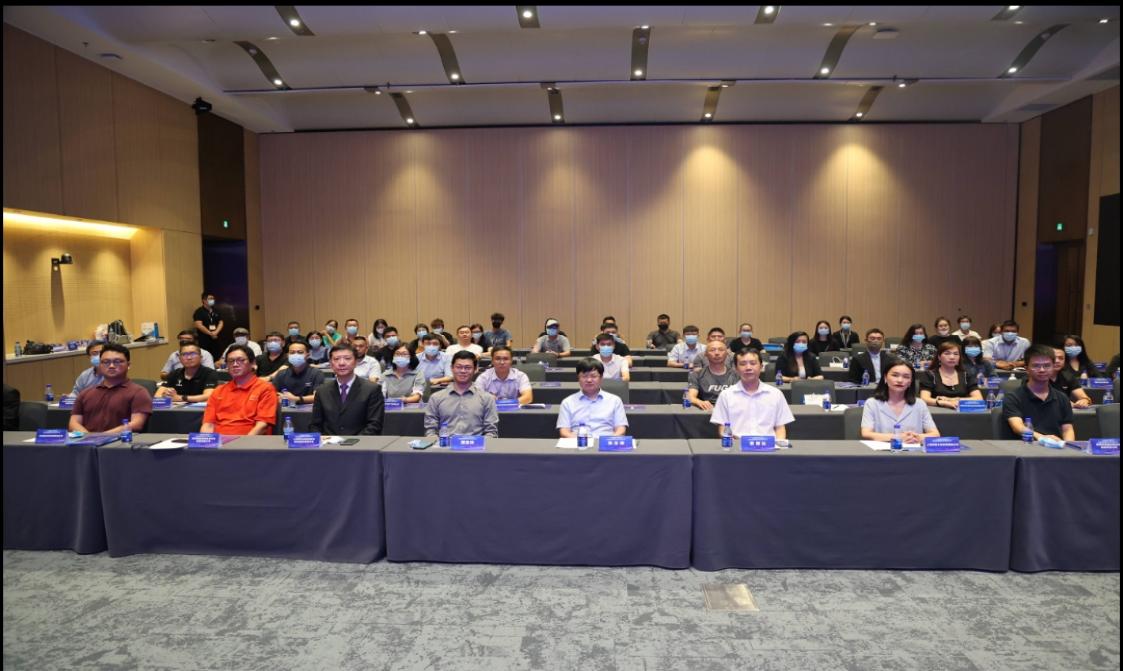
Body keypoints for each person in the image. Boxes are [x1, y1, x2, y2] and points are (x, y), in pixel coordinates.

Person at [710, 349, 795, 439]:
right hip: (737, 444)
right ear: (736, 369)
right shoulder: (726, 395)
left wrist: (778, 444)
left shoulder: (775, 394)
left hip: (769, 445)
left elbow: (780, 428)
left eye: (753, 363)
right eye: (743, 364)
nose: (748, 368)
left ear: (761, 367)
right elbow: (722, 427)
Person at [68, 343, 152, 434]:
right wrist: (90, 438)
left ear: (128, 365)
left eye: (117, 362)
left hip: (120, 441)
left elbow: (136, 424)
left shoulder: (139, 393)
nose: (111, 366)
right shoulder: (86, 394)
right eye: (106, 362)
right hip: (88, 441)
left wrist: (102, 437)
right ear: (100, 365)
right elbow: (73, 423)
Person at [1002, 344, 1075, 442]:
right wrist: (1042, 438)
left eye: (1047, 365)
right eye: (1036, 366)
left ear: (1053, 367)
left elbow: (1067, 430)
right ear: (1027, 369)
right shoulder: (1013, 397)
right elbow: (1018, 427)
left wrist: (1068, 446)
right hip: (1026, 447)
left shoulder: (1062, 398)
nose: (1042, 370)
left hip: (1056, 447)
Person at [200, 344, 277, 435]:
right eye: (231, 361)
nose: (235, 364)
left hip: (249, 440)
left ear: (253, 364)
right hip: (219, 441)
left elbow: (262, 426)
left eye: (241, 360)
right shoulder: (218, 391)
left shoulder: (265, 388)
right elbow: (208, 424)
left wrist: (242, 443)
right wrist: (206, 441)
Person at [310, 343, 384, 435]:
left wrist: (352, 441)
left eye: (347, 358)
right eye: (336, 359)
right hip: (328, 442)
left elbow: (374, 425)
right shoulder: (322, 391)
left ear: (356, 362)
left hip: (361, 442)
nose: (341, 363)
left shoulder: (372, 389)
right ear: (331, 364)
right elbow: (315, 425)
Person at [861, 361, 940, 443]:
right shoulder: (872, 403)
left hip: (912, 449)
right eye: (895, 375)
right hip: (882, 450)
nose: (900, 380)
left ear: (910, 382)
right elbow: (866, 433)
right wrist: (897, 437)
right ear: (885, 378)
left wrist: (916, 437)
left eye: (906, 377)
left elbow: (935, 434)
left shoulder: (920, 404)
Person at [424, 351, 498, 437]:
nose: (463, 371)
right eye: (459, 367)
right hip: (445, 444)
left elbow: (491, 432)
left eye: (468, 368)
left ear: (475, 369)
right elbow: (430, 430)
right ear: (452, 368)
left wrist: (481, 443)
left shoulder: (486, 398)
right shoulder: (436, 398)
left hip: (476, 444)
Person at [557, 358, 628, 438]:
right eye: (584, 376)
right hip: (578, 443)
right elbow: (564, 432)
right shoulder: (567, 402)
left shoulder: (615, 401)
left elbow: (621, 430)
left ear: (601, 378)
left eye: (593, 376)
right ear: (578, 378)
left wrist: (605, 441)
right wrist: (583, 440)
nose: (589, 380)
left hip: (605, 443)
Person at [918, 341, 984, 409]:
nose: (952, 357)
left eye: (956, 354)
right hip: (936, 412)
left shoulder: (966, 375)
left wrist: (952, 399)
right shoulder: (929, 374)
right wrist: (943, 402)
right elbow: (924, 399)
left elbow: (979, 398)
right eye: (947, 353)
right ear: (939, 357)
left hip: (961, 412)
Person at [154, 341, 220, 403]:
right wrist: (165, 394)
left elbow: (208, 396)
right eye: (184, 354)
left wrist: (180, 398)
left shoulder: (209, 373)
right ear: (180, 358)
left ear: (201, 357)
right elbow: (157, 396)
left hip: (201, 410)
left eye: (193, 354)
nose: (189, 358)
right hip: (176, 410)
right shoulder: (175, 374)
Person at [687, 339, 740, 411]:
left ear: (727, 354)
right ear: (705, 354)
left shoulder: (738, 375)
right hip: (707, 410)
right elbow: (690, 397)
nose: (717, 353)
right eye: (712, 350)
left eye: (721, 350)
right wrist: (699, 402)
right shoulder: (696, 374)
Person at [271, 340, 326, 405]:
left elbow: (318, 397)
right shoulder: (281, 373)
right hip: (285, 409)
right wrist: (279, 396)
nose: (295, 355)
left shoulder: (316, 373)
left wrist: (296, 399)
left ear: (308, 355)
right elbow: (272, 393)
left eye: (300, 352)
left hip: (309, 410)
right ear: (288, 355)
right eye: (292, 352)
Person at [193, 291, 224, 359]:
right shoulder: (199, 312)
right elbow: (199, 325)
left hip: (216, 339)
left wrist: (216, 332)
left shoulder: (216, 310)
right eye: (210, 298)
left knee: (217, 357)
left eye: (213, 298)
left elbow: (221, 322)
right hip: (204, 340)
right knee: (206, 357)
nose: (212, 300)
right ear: (204, 300)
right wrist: (210, 333)